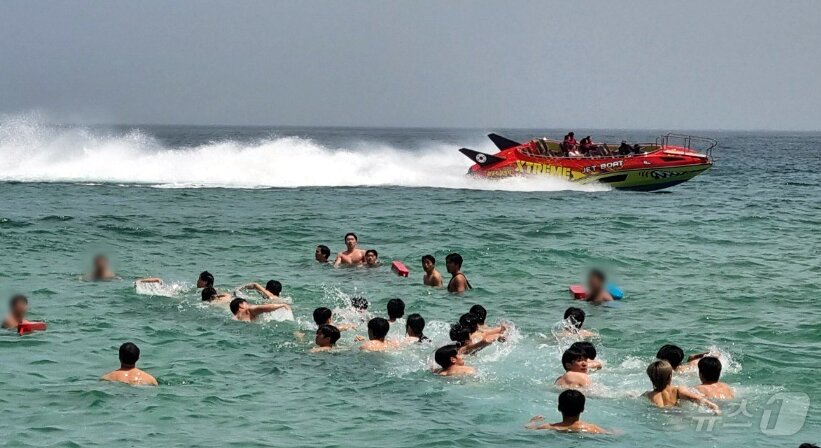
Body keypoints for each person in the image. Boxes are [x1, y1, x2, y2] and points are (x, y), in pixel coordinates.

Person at [644, 360, 719, 412]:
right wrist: (713, 406)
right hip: (676, 415)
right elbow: (695, 398)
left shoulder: (647, 395)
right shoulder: (677, 390)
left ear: (650, 378)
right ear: (670, 376)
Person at [527, 390, 610, 434]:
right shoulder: (593, 428)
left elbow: (528, 429)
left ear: (559, 408)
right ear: (582, 409)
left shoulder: (548, 427)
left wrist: (532, 421)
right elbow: (612, 434)